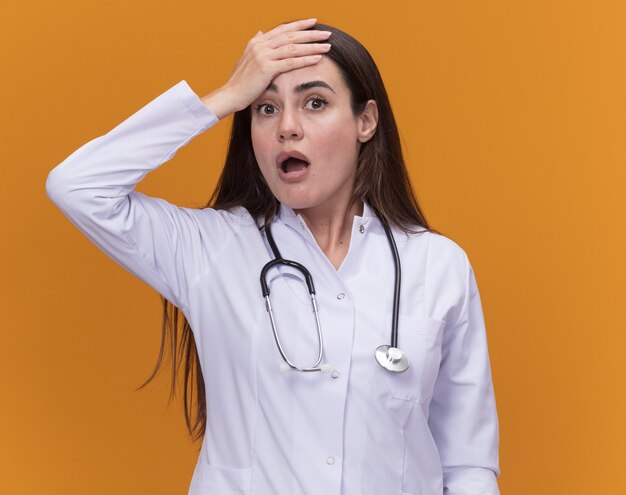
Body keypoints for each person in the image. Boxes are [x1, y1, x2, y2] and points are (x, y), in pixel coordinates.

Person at [46, 18, 500, 495]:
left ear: (365, 121)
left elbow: (467, 463)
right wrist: (225, 97)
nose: (287, 127)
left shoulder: (437, 266)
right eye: (265, 108)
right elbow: (77, 186)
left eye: (315, 103)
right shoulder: (212, 249)